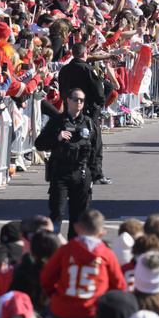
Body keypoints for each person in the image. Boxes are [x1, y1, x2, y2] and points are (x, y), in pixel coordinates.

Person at [34, 89, 101, 237]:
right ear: (68, 100)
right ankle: (53, 244)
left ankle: (74, 247)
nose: (79, 103)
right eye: (76, 99)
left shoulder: (89, 124)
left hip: (81, 173)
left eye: (82, 100)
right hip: (60, 173)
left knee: (79, 215)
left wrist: (95, 173)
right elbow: (39, 144)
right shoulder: (57, 122)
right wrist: (57, 138)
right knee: (57, 212)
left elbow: (97, 150)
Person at [58, 42, 111, 185]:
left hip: (69, 110)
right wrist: (99, 104)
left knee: (70, 140)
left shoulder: (64, 70)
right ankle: (95, 173)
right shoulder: (88, 69)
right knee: (94, 141)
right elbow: (99, 91)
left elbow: (61, 89)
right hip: (88, 110)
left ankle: (70, 173)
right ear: (84, 54)